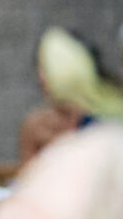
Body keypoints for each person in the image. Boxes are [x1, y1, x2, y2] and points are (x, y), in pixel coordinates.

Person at [18, 29, 103, 165]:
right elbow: (29, 173)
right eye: (41, 66)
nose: (42, 77)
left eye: (51, 67)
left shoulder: (102, 120)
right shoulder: (35, 126)